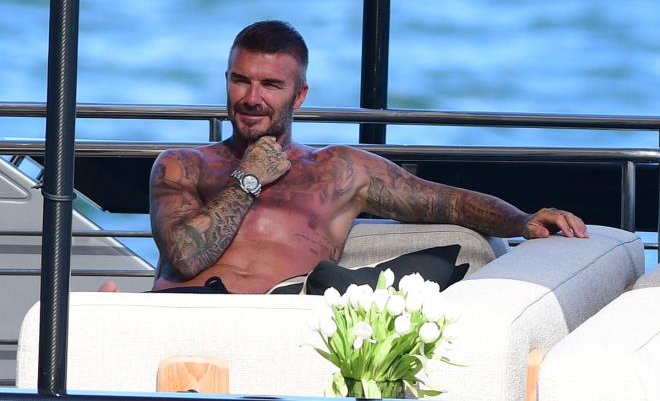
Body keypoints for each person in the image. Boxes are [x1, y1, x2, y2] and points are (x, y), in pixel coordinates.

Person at [107, 20, 587, 295]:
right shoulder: (182, 164)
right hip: (181, 313)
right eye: (241, 81)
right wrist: (249, 179)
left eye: (270, 85)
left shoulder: (338, 170)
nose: (252, 98)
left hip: (275, 324)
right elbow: (186, 256)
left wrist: (523, 220)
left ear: (299, 95)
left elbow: (448, 202)